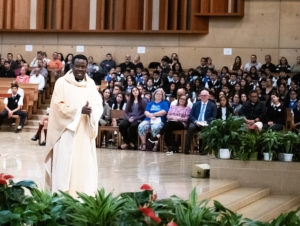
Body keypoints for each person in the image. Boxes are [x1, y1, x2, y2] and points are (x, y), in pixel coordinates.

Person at [45, 54, 103, 197]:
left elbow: (97, 105)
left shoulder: (90, 84)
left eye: (83, 67)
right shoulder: (61, 83)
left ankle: (82, 196)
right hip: (66, 133)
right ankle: (62, 196)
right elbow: (57, 106)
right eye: (77, 66)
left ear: (87, 68)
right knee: (65, 166)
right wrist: (78, 111)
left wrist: (91, 112)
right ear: (71, 66)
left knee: (82, 167)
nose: (80, 69)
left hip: (84, 133)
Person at [184, 89, 217, 154]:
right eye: (202, 95)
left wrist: (204, 122)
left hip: (205, 123)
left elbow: (213, 117)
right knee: (190, 128)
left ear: (208, 96)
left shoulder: (212, 105)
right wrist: (195, 121)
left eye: (205, 95)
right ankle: (186, 149)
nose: (203, 97)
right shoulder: (196, 104)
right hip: (196, 122)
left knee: (204, 130)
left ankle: (202, 151)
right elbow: (191, 115)